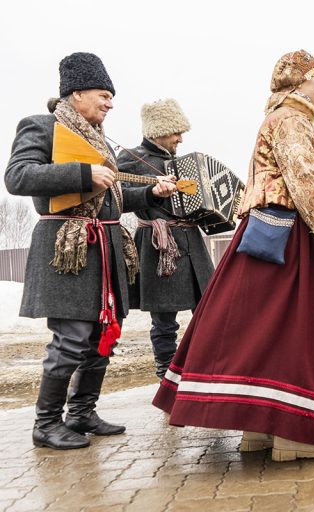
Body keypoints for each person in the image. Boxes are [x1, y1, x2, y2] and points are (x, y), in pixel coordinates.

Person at [153, 50, 314, 461]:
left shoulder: (274, 118)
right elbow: (304, 180)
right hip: (292, 238)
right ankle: (298, 435)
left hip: (264, 234)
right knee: (299, 331)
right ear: (296, 82)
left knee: (262, 329)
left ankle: (261, 430)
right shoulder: (292, 120)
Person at [4, 52, 176, 450]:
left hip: (106, 251)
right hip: (69, 253)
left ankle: (81, 413)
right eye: (103, 94)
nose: (110, 103)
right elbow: (17, 176)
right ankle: (46, 424)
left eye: (111, 96)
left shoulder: (98, 139)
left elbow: (110, 201)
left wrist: (150, 192)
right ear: (76, 93)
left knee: (103, 336)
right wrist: (84, 173)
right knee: (72, 338)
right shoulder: (42, 127)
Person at [117, 99, 214, 379]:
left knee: (208, 312)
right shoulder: (131, 159)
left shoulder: (184, 163)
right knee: (163, 321)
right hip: (158, 245)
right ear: (159, 129)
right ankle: (167, 375)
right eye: (176, 132)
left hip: (192, 244)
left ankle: (206, 370)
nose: (180, 138)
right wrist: (151, 193)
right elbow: (117, 197)